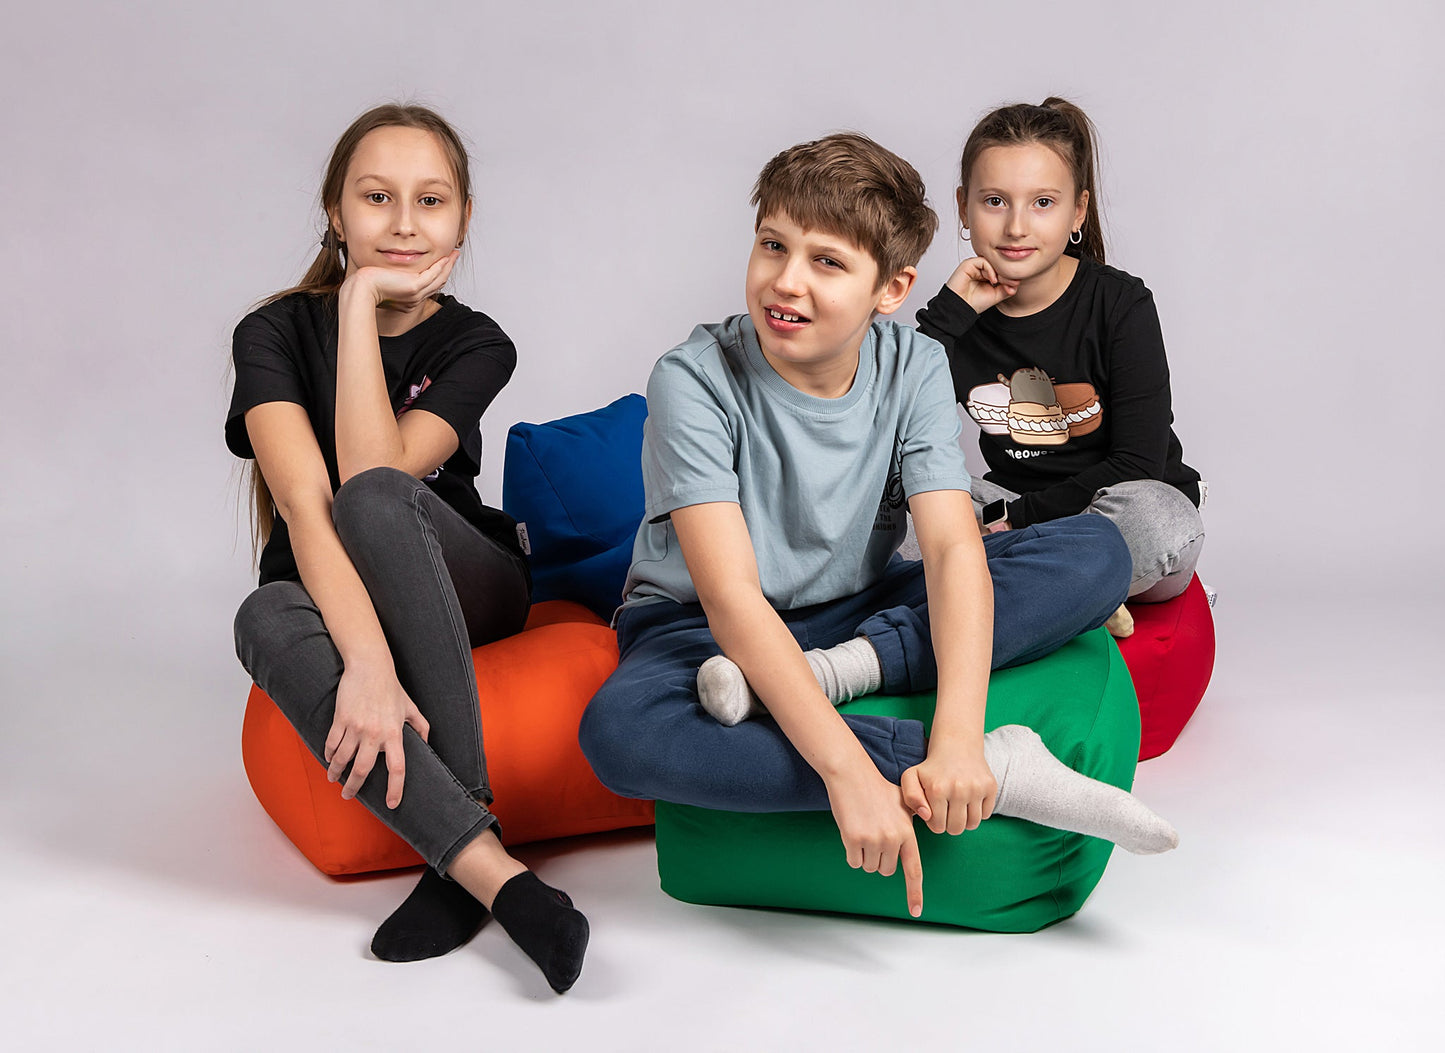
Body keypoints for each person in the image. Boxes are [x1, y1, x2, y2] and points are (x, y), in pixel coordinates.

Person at [579, 133, 1177, 921]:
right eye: (772, 246)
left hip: (859, 608)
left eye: (826, 262)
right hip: (699, 630)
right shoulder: (692, 378)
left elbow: (950, 545)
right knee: (619, 733)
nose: (784, 281)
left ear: (889, 288)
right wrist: (848, 771)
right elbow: (728, 597)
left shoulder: (914, 364)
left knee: (1095, 548)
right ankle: (1005, 768)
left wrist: (957, 733)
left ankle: (844, 674)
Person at [228, 104, 587, 991]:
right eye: (377, 198)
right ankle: (491, 875)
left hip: (463, 577)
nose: (402, 224)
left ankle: (453, 847)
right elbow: (307, 517)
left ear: (462, 220)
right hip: (327, 585)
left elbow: (370, 480)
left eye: (430, 201)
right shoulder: (269, 334)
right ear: (335, 212)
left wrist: (357, 302)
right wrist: (365, 661)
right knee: (263, 612)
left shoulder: (477, 340)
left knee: (381, 497)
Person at [915, 98, 1205, 636]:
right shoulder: (958, 317)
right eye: (995, 201)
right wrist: (947, 317)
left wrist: (1012, 525)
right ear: (963, 207)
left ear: (1078, 212)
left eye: (1043, 202)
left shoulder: (1121, 306)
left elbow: (1137, 462)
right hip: (1009, 505)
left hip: (1115, 512)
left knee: (1159, 521)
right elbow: (884, 419)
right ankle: (1068, 597)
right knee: (892, 515)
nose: (1016, 226)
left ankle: (1029, 588)